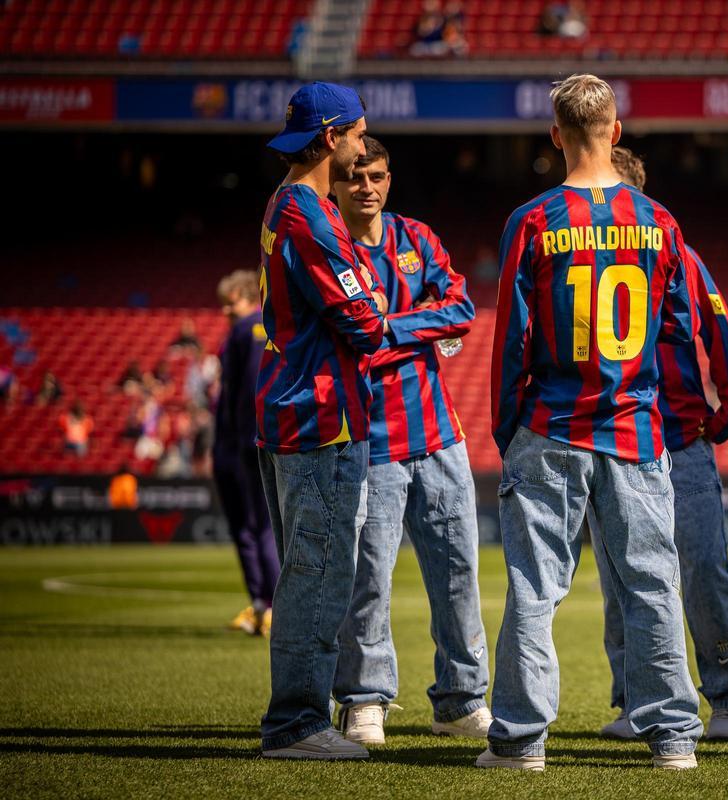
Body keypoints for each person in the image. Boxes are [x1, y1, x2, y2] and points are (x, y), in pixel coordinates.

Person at [483, 74, 702, 772]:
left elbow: (511, 336)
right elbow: (679, 333)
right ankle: (672, 737)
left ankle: (520, 740)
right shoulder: (660, 221)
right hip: (636, 429)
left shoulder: (535, 220)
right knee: (651, 583)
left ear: (556, 135)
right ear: (615, 129)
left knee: (535, 586)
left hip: (552, 424)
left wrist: (507, 424)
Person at [331, 135, 490, 745]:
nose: (365, 187)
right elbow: (353, 334)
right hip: (370, 441)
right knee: (368, 577)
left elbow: (459, 309)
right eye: (353, 177)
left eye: (374, 175)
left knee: (457, 573)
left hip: (440, 437)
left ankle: (459, 699)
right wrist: (413, 328)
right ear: (336, 185)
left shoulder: (418, 238)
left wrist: (393, 326)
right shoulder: (331, 248)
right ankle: (365, 698)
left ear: (389, 178)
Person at [596, 146, 728, 742]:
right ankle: (638, 701)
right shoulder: (583, 259)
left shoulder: (679, 256)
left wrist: (724, 417)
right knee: (620, 580)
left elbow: (720, 333)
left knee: (704, 569)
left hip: (678, 441)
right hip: (614, 441)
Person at [255, 81, 391, 761]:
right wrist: (385, 310)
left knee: (311, 572)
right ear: (333, 137)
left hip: (297, 408)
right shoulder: (308, 211)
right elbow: (363, 320)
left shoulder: (288, 202)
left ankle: (301, 718)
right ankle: (296, 725)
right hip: (320, 417)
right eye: (360, 134)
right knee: (317, 576)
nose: (366, 147)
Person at [213, 269, 280, 637]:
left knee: (255, 528)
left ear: (244, 294)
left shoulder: (247, 329)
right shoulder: (265, 326)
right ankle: (265, 606)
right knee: (260, 527)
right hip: (254, 440)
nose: (225, 311)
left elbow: (242, 398)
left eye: (229, 302)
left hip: (242, 443)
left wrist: (240, 443)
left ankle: (267, 606)